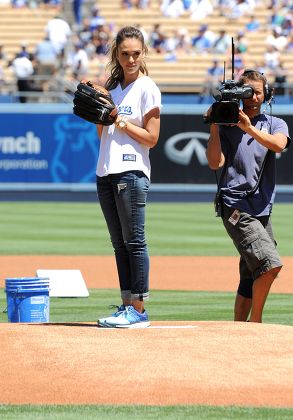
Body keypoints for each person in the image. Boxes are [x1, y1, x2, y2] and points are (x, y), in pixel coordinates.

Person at [205, 69, 291, 323]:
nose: (253, 97)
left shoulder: (275, 123)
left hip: (262, 208)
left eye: (258, 92)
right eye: (248, 92)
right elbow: (214, 163)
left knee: (250, 275)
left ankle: (239, 330)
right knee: (270, 264)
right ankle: (256, 324)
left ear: (267, 95)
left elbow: (278, 145)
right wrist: (214, 127)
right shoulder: (225, 125)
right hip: (235, 206)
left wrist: (248, 128)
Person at [96, 26, 161, 328]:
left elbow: (151, 138)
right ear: (116, 54)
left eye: (136, 53)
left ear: (143, 53)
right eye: (125, 54)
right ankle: (126, 305)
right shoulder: (112, 86)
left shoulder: (148, 87)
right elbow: (103, 134)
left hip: (132, 170)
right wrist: (98, 112)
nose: (131, 59)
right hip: (106, 170)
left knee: (134, 241)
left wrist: (118, 119)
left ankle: (138, 307)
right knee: (119, 243)